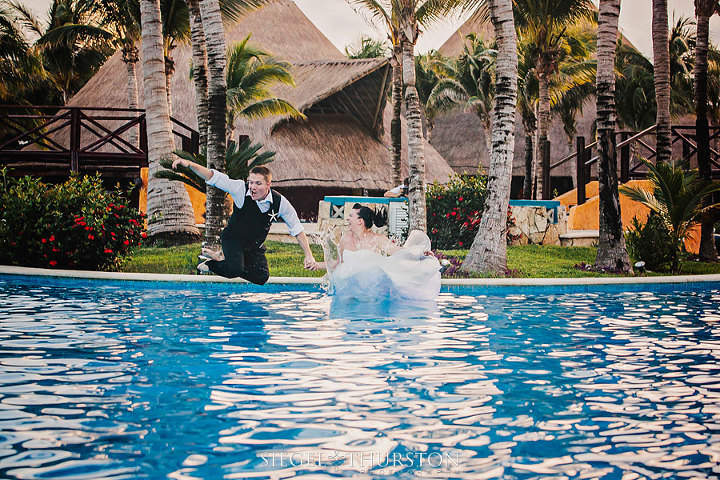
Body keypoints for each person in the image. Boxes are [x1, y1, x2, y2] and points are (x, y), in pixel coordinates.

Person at [171, 160, 317, 284]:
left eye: (258, 183)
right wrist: (189, 164)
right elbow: (212, 176)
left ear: (268, 185)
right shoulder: (240, 189)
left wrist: (309, 255)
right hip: (233, 239)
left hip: (254, 246)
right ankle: (211, 265)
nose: (253, 187)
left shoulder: (280, 203)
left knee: (262, 277)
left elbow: (297, 229)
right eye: (251, 182)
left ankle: (222, 259)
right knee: (235, 269)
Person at [317, 203, 441, 301]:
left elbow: (398, 251)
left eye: (351, 216)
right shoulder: (345, 239)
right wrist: (317, 265)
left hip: (373, 294)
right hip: (352, 293)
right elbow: (338, 263)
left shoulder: (377, 239)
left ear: (360, 221)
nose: (348, 219)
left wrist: (420, 252)